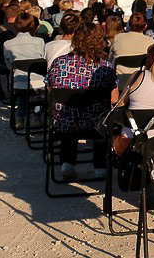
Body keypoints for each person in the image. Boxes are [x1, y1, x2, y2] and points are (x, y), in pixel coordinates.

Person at [47, 23, 118, 178]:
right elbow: (114, 98)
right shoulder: (105, 67)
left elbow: (50, 92)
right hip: (95, 125)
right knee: (102, 114)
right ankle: (100, 166)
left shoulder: (59, 63)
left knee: (68, 111)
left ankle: (67, 163)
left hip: (64, 124)